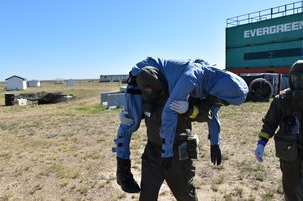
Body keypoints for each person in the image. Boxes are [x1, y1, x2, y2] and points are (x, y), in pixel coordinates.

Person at [113, 57, 248, 200]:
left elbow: (207, 114)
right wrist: (130, 115)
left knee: (185, 196)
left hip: (179, 153)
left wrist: (190, 111)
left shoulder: (190, 87)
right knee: (147, 197)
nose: (148, 92)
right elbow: (136, 117)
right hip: (153, 152)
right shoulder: (149, 90)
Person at [255, 60, 303, 201]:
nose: (299, 81)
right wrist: (261, 143)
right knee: (291, 189)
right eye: (295, 77)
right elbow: (270, 123)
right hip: (290, 155)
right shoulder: (281, 100)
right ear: (291, 77)